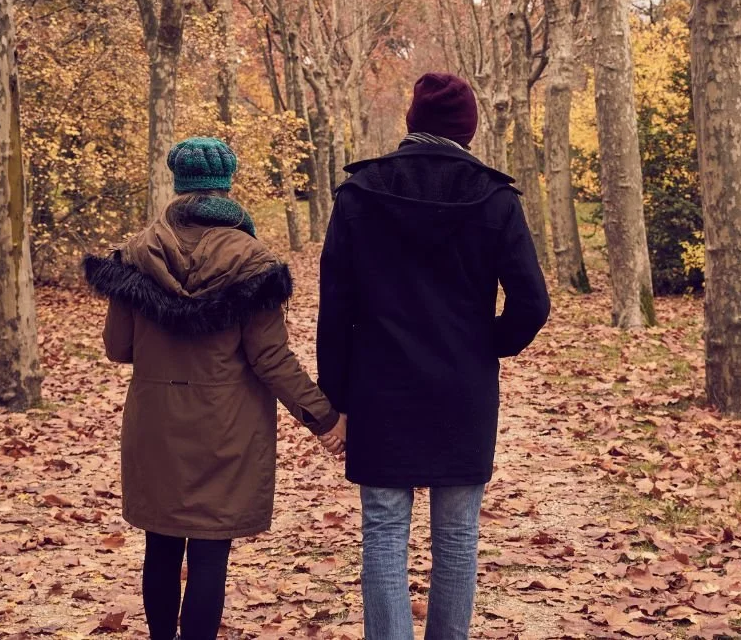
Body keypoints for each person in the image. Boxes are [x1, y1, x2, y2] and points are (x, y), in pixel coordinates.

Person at [83, 137, 346, 640]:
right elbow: (271, 359)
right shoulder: (252, 260)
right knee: (209, 552)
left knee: (161, 547)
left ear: (178, 187)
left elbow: (118, 348)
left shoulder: (137, 253)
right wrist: (326, 419)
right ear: (226, 188)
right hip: (226, 430)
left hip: (156, 426)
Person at [317, 73, 550, 639]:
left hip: (380, 389)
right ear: (468, 129)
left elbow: (335, 310)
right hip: (461, 391)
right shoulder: (495, 199)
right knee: (457, 537)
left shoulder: (359, 194)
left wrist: (337, 399)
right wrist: (485, 345)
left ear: (412, 121)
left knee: (383, 533)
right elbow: (532, 304)